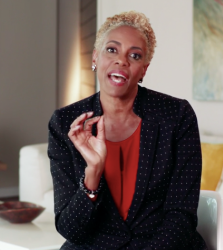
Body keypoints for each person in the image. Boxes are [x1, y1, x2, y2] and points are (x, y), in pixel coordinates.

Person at [48, 11, 207, 250]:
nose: (121, 60)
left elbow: (181, 216)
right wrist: (93, 172)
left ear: (143, 70)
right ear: (95, 58)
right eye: (111, 50)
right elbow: (71, 230)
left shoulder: (177, 116)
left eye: (134, 55)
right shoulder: (65, 122)